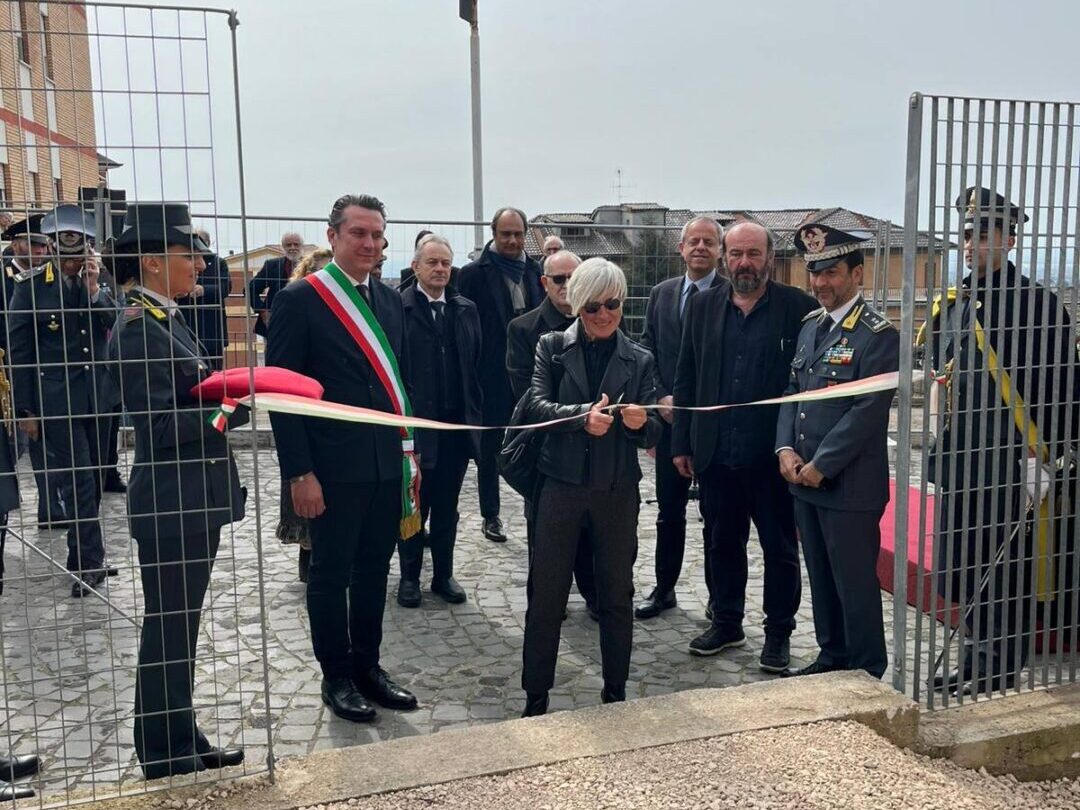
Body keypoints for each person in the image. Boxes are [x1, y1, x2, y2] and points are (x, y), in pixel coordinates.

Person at [106, 202, 245, 779]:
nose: (201, 265)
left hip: (193, 496)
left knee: (180, 628)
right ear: (152, 261)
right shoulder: (139, 327)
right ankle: (162, 751)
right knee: (168, 628)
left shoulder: (165, 317)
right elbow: (159, 426)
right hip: (171, 500)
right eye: (190, 255)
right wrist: (229, 411)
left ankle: (180, 732)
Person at [267, 193, 418, 724]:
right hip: (330, 470)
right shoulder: (299, 300)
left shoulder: (391, 301)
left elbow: (399, 386)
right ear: (332, 237)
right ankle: (336, 676)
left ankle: (368, 667)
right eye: (359, 233)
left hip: (384, 464)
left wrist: (409, 457)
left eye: (377, 235)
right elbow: (282, 397)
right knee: (330, 575)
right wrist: (299, 473)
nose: (370, 244)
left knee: (375, 570)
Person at [922, 188, 1078, 696]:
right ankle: (975, 657)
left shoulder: (1037, 304)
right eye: (967, 233)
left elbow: (1058, 386)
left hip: (1009, 462)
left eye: (984, 234)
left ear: (1010, 240)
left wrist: (1044, 455)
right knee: (968, 565)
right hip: (962, 458)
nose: (971, 243)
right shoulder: (955, 303)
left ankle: (999, 666)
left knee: (1004, 569)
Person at [519, 257, 661, 717]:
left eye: (612, 304)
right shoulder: (551, 346)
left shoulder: (640, 358)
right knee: (546, 595)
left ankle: (615, 690)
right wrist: (582, 416)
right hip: (559, 489)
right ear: (577, 305)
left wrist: (641, 423)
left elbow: (655, 426)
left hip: (616, 492)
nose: (604, 314)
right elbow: (535, 406)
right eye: (593, 306)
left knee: (617, 595)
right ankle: (535, 695)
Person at [671, 222, 816, 670]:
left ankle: (778, 634)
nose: (744, 263)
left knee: (780, 549)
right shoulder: (701, 306)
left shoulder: (799, 309)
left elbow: (807, 384)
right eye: (736, 254)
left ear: (770, 257)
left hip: (774, 457)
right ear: (724, 257)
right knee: (722, 544)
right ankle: (727, 622)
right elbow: (686, 376)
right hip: (716, 453)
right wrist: (682, 442)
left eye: (753, 253)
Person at [776, 224, 898, 680]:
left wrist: (822, 464)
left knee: (854, 582)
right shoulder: (811, 327)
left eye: (831, 272)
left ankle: (866, 670)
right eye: (815, 273)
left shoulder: (877, 335)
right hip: (803, 479)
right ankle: (832, 657)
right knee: (822, 578)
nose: (820, 283)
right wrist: (785, 448)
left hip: (849, 485)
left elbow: (867, 411)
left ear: (857, 274)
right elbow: (793, 391)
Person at [10, 204, 120, 598]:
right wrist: (25, 410)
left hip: (99, 397)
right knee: (78, 481)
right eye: (65, 257)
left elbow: (118, 324)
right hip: (57, 401)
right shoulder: (31, 287)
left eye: (79, 256)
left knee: (95, 478)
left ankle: (87, 557)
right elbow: (20, 353)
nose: (72, 264)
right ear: (53, 250)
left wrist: (94, 291)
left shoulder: (100, 282)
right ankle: (87, 563)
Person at [636, 216, 723, 620]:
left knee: (716, 517)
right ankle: (664, 588)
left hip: (713, 427)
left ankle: (718, 598)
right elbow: (647, 349)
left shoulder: (731, 295)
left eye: (709, 242)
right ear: (681, 248)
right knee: (669, 513)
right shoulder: (662, 293)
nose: (701, 247)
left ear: (719, 251)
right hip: (670, 424)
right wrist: (659, 396)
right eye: (694, 241)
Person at [506, 249, 597, 618]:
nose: (567, 285)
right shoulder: (523, 329)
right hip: (547, 450)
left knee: (591, 531)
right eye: (559, 279)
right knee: (545, 533)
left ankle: (595, 595)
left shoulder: (601, 318)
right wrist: (579, 412)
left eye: (574, 278)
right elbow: (527, 393)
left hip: (594, 449)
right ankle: (547, 602)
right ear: (544, 283)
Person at [396, 234, 482, 607]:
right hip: (416, 428)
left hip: (455, 430)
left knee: (447, 507)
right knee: (415, 505)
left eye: (446, 263)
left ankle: (443, 575)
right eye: (432, 262)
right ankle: (409, 578)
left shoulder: (465, 309)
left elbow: (475, 364)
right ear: (416, 267)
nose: (440, 269)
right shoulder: (399, 308)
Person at [457, 207, 543, 544]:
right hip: (490, 374)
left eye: (518, 234)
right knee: (490, 448)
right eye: (505, 233)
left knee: (533, 441)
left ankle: (535, 505)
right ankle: (490, 514)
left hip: (531, 373)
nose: (512, 240)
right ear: (493, 233)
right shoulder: (472, 275)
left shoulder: (536, 270)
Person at [275, 247, 333, 583]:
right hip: (307, 418)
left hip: (338, 422)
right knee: (308, 508)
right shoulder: (296, 305)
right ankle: (308, 560)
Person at [1, 215, 60, 525]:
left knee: (41, 441)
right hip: (7, 368)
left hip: (41, 368)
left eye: (43, 245)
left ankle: (50, 505)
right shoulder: (5, 277)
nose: (40, 251)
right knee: (13, 445)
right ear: (16, 244)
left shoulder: (46, 279)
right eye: (33, 244)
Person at [176, 228, 233, 370]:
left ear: (207, 243)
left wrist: (204, 290)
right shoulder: (181, 262)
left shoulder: (218, 263)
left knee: (214, 367)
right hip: (187, 322)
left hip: (211, 324)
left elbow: (225, 287)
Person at [247, 231, 304, 340]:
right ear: (283, 247)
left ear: (302, 246)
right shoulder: (272, 265)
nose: (292, 248)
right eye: (288, 245)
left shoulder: (311, 265)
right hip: (275, 321)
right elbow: (250, 289)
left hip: (303, 321)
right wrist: (263, 311)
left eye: (296, 244)